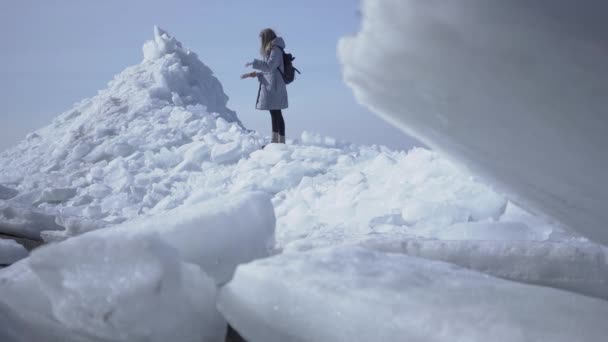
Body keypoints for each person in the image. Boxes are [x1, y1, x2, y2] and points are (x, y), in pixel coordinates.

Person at [241, 28, 288, 144]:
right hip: (273, 86)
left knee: (276, 113)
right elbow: (270, 71)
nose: (262, 42)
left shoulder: (275, 50)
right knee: (275, 113)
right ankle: (276, 141)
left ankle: (279, 142)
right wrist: (255, 74)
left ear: (267, 38)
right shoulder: (273, 50)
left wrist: (254, 63)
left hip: (275, 86)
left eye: (262, 38)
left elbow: (269, 67)